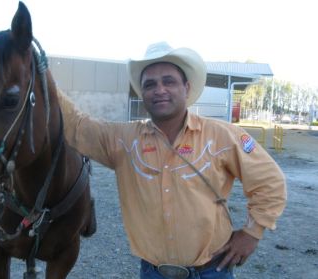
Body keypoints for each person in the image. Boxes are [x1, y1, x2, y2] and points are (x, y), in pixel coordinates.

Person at [56, 41, 286, 279]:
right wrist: (41, 73)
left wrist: (252, 232)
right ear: (142, 93)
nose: (160, 90)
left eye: (169, 81)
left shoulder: (222, 136)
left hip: (211, 271)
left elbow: (270, 182)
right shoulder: (122, 141)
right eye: (150, 84)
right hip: (153, 273)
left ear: (186, 88)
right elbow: (77, 125)